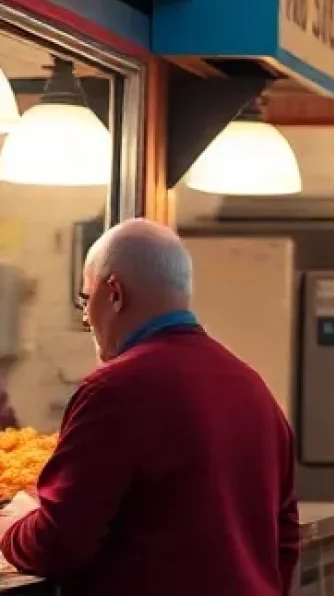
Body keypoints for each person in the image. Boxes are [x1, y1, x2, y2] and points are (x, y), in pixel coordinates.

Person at [0, 219, 298, 596]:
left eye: (85, 299)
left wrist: (14, 526)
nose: (86, 317)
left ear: (114, 294)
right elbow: (284, 538)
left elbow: (58, 543)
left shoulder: (114, 389)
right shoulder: (253, 388)